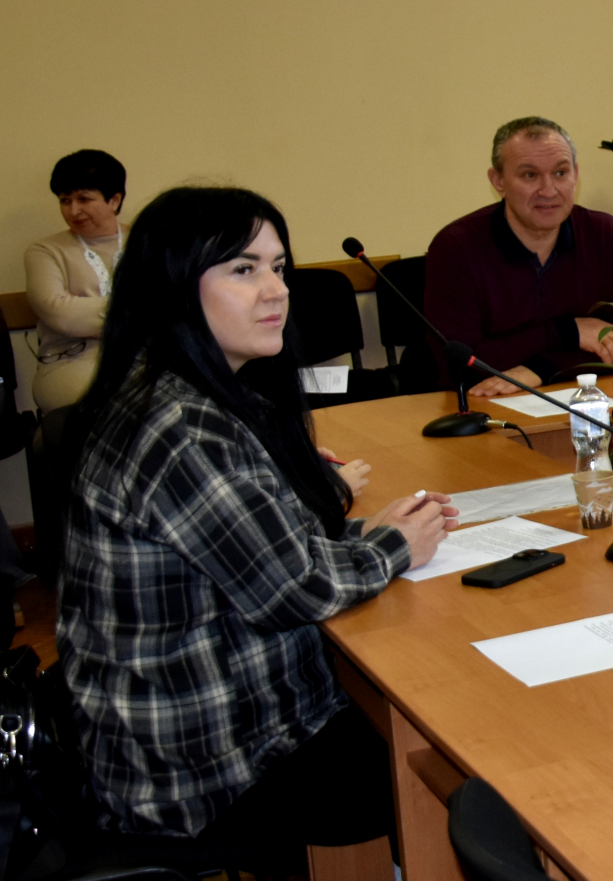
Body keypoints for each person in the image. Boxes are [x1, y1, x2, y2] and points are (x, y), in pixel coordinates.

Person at [59, 186, 455, 873]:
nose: (275, 291)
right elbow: (293, 590)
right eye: (243, 270)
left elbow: (272, 547)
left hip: (214, 735)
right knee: (454, 753)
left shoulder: (187, 391)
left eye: (278, 267)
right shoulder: (179, 425)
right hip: (212, 771)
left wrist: (367, 537)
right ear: (173, 287)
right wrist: (395, 546)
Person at [426, 117, 613, 396]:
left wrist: (542, 369)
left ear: (576, 175)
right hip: (485, 405)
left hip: (587, 400)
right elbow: (461, 364)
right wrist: (568, 332)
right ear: (498, 181)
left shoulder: (605, 235)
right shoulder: (456, 247)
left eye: (560, 173)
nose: (548, 190)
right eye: (530, 175)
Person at [25, 149, 129, 412]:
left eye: (84, 199)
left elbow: (175, 304)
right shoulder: (44, 251)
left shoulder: (148, 242)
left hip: (143, 357)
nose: (73, 211)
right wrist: (142, 312)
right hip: (70, 361)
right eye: (65, 200)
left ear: (114, 200)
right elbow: (60, 315)